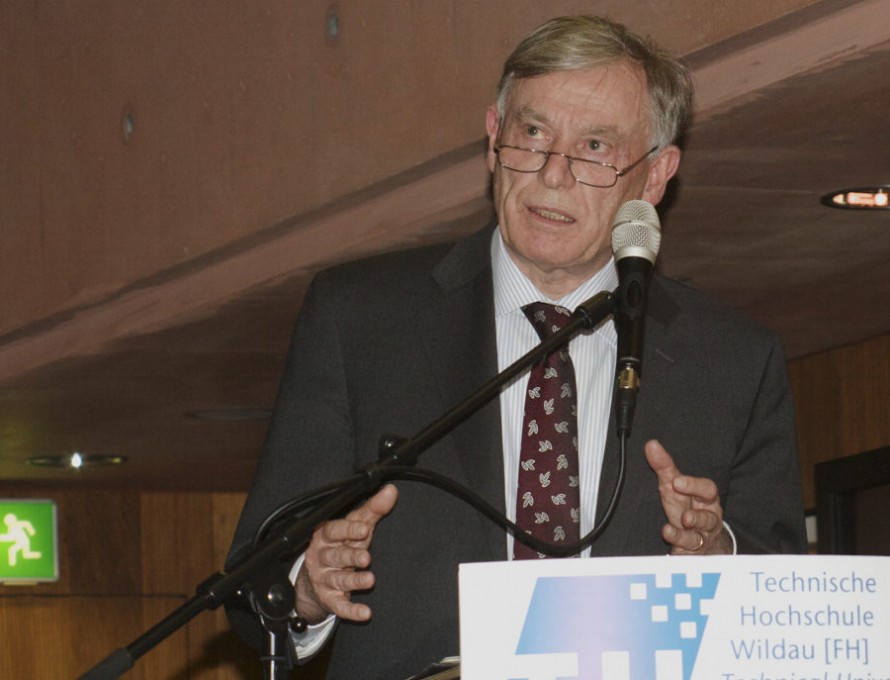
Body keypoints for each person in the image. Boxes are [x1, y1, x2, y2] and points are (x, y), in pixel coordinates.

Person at [226, 15, 807, 679]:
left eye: (593, 147)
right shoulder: (361, 320)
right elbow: (254, 579)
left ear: (654, 177)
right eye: (533, 135)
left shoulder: (732, 360)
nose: (553, 175)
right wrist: (306, 584)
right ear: (493, 138)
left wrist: (717, 558)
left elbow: (780, 598)